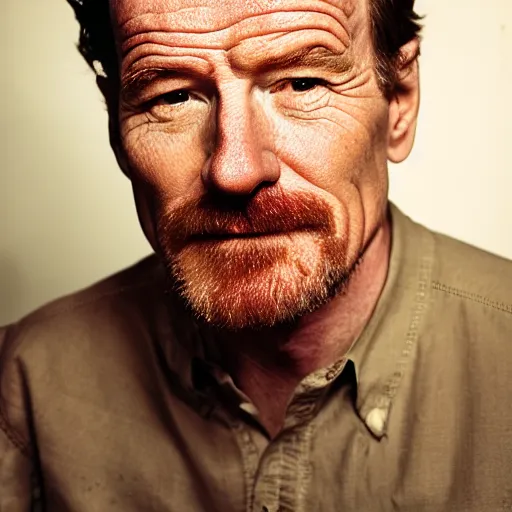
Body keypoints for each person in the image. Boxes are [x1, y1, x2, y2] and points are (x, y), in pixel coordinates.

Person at [1, 0, 511, 509]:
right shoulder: (22, 390)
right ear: (116, 124)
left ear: (399, 100)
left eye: (302, 83)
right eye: (173, 96)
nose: (235, 170)